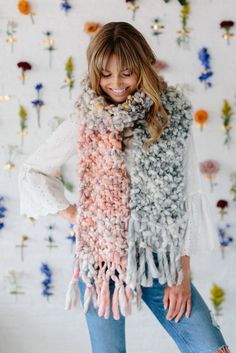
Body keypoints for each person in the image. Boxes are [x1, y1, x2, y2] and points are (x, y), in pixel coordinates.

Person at [18, 22, 230, 353]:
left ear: (143, 67)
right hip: (103, 259)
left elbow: (186, 196)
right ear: (94, 72)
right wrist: (81, 217)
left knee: (210, 348)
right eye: (105, 74)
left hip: (160, 256)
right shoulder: (86, 118)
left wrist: (182, 274)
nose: (115, 84)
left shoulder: (168, 118)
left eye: (127, 73)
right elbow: (32, 172)